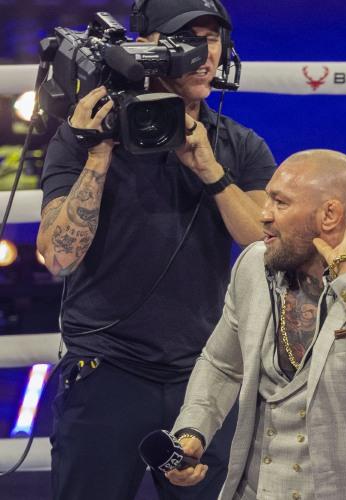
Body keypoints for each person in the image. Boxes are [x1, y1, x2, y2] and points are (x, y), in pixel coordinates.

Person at [36, 0, 276, 498]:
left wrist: (210, 171)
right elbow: (58, 256)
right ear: (147, 48)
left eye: (213, 39)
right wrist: (99, 154)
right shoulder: (82, 138)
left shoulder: (238, 144)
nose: (205, 54)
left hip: (206, 376)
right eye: (189, 40)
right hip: (106, 371)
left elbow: (264, 243)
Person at [162, 149, 346, 500]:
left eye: (280, 203)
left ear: (329, 215)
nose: (264, 214)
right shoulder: (254, 266)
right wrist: (193, 430)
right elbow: (222, 364)